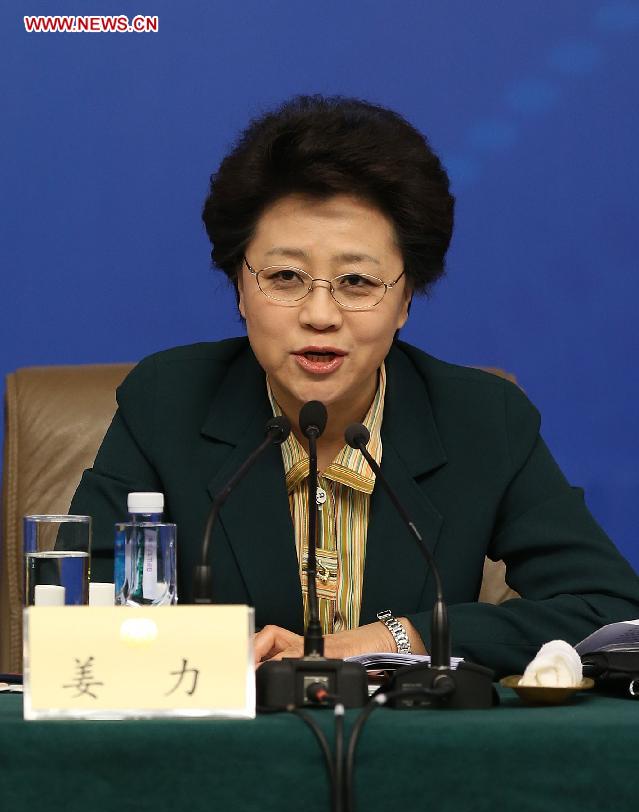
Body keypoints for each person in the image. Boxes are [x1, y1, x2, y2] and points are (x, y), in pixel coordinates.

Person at [70, 95, 639, 677]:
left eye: (358, 282)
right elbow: (83, 616)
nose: (320, 313)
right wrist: (221, 658)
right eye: (285, 277)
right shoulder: (168, 402)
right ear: (239, 289)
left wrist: (398, 637)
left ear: (405, 301)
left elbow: (608, 610)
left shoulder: (483, 421)